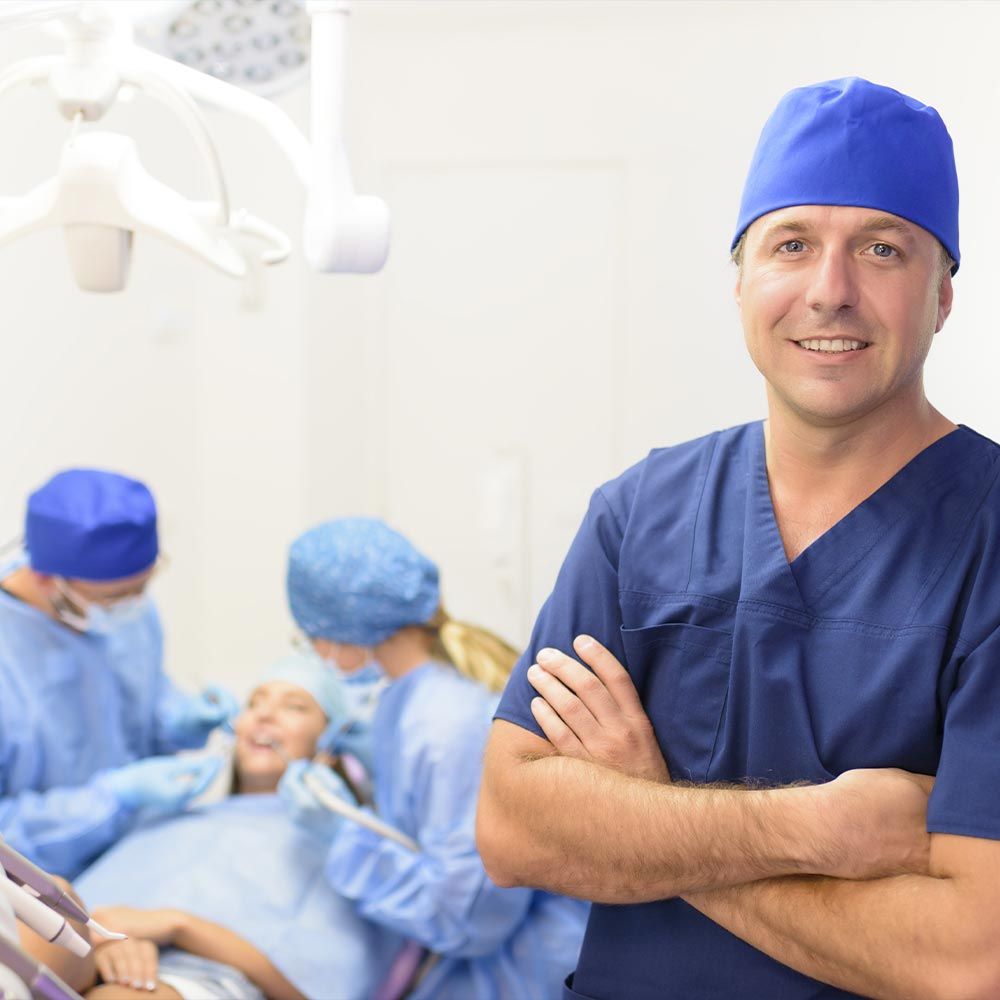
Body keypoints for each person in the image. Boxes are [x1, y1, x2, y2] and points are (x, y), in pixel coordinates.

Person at [477, 76, 1000, 1000]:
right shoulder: (640, 514)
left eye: (883, 249)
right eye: (791, 245)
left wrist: (647, 807)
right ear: (742, 283)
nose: (829, 292)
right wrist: (817, 830)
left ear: (945, 294)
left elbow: (966, 955)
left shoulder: (987, 537)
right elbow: (515, 832)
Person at [280, 517, 588, 999]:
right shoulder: (420, 697)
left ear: (339, 631)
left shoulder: (442, 724)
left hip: (524, 971)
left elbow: (471, 917)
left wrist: (344, 839)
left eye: (308, 637)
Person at [64, 655, 401, 1000]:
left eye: (295, 707)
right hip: (95, 952)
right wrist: (108, 947)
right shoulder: (173, 816)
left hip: (198, 983)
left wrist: (179, 926)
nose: (264, 715)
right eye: (254, 702)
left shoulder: (346, 850)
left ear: (331, 745)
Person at [0, 469, 237, 878]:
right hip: (48, 890)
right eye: (116, 597)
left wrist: (180, 721)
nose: (133, 605)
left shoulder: (125, 610)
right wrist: (113, 798)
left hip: (143, 850)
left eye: (142, 587)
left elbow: (136, 698)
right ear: (45, 576)